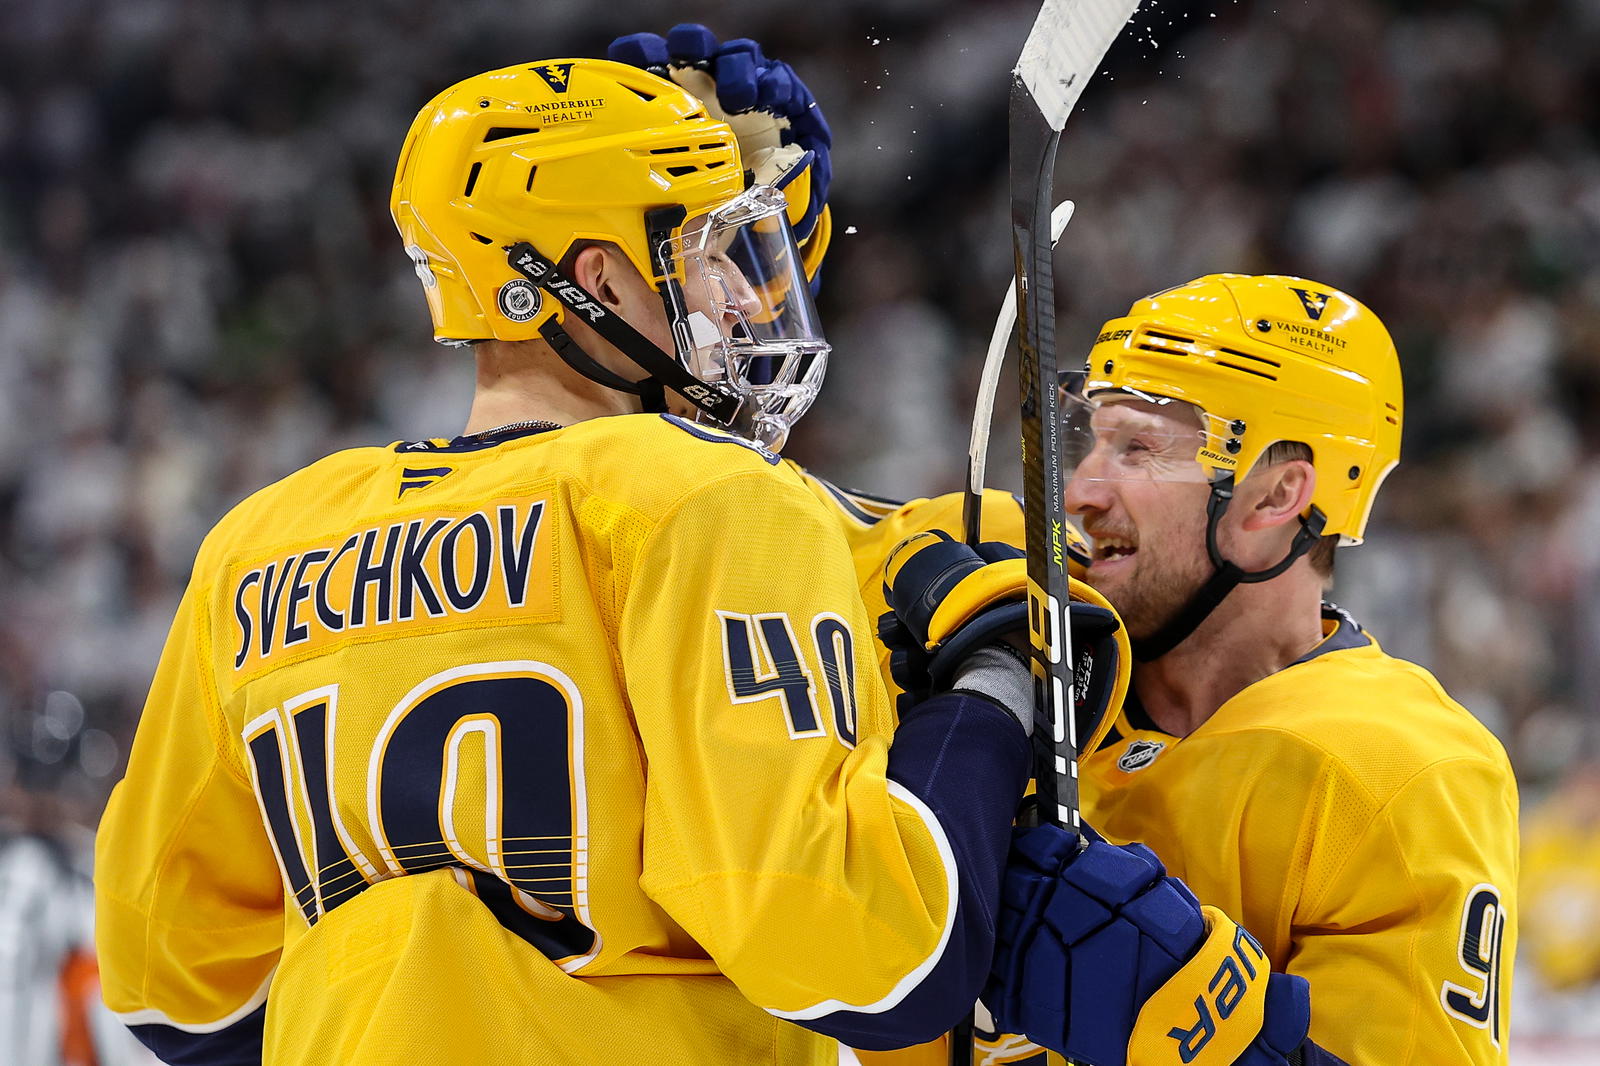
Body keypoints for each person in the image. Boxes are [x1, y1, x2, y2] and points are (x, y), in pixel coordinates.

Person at [91, 55, 1070, 1066]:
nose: (741, 296)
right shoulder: (701, 493)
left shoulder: (259, 541)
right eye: (707, 255)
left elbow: (168, 981)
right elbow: (870, 961)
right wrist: (987, 685)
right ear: (594, 280)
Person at [984, 276, 1519, 1065]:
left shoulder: (1397, 769)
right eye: (1092, 439)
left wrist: (1178, 1013)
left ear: (1274, 495)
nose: (1083, 490)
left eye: (1139, 448)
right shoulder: (1016, 678)